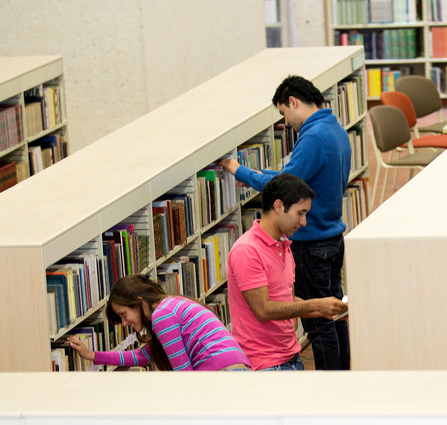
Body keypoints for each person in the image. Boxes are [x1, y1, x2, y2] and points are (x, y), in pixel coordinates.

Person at [219, 75, 352, 370]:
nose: (287, 122)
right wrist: (263, 173)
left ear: (293, 101)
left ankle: (332, 387)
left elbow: (283, 183)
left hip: (312, 243)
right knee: (335, 315)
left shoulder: (313, 136)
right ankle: (344, 378)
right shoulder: (337, 131)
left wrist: (241, 172)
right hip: (333, 236)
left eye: (283, 113)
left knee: (319, 325)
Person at [227, 173, 347, 371]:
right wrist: (317, 304)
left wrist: (329, 311)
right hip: (264, 366)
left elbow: (289, 303)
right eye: (300, 213)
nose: (304, 222)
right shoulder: (247, 250)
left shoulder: (284, 246)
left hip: (291, 357)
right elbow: (263, 310)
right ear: (278, 206)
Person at [66, 275, 251, 371]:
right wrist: (91, 355)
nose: (124, 323)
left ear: (139, 302)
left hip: (220, 373)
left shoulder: (162, 316)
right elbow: (142, 356)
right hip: (234, 370)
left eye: (123, 314)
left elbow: (184, 375)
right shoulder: (171, 305)